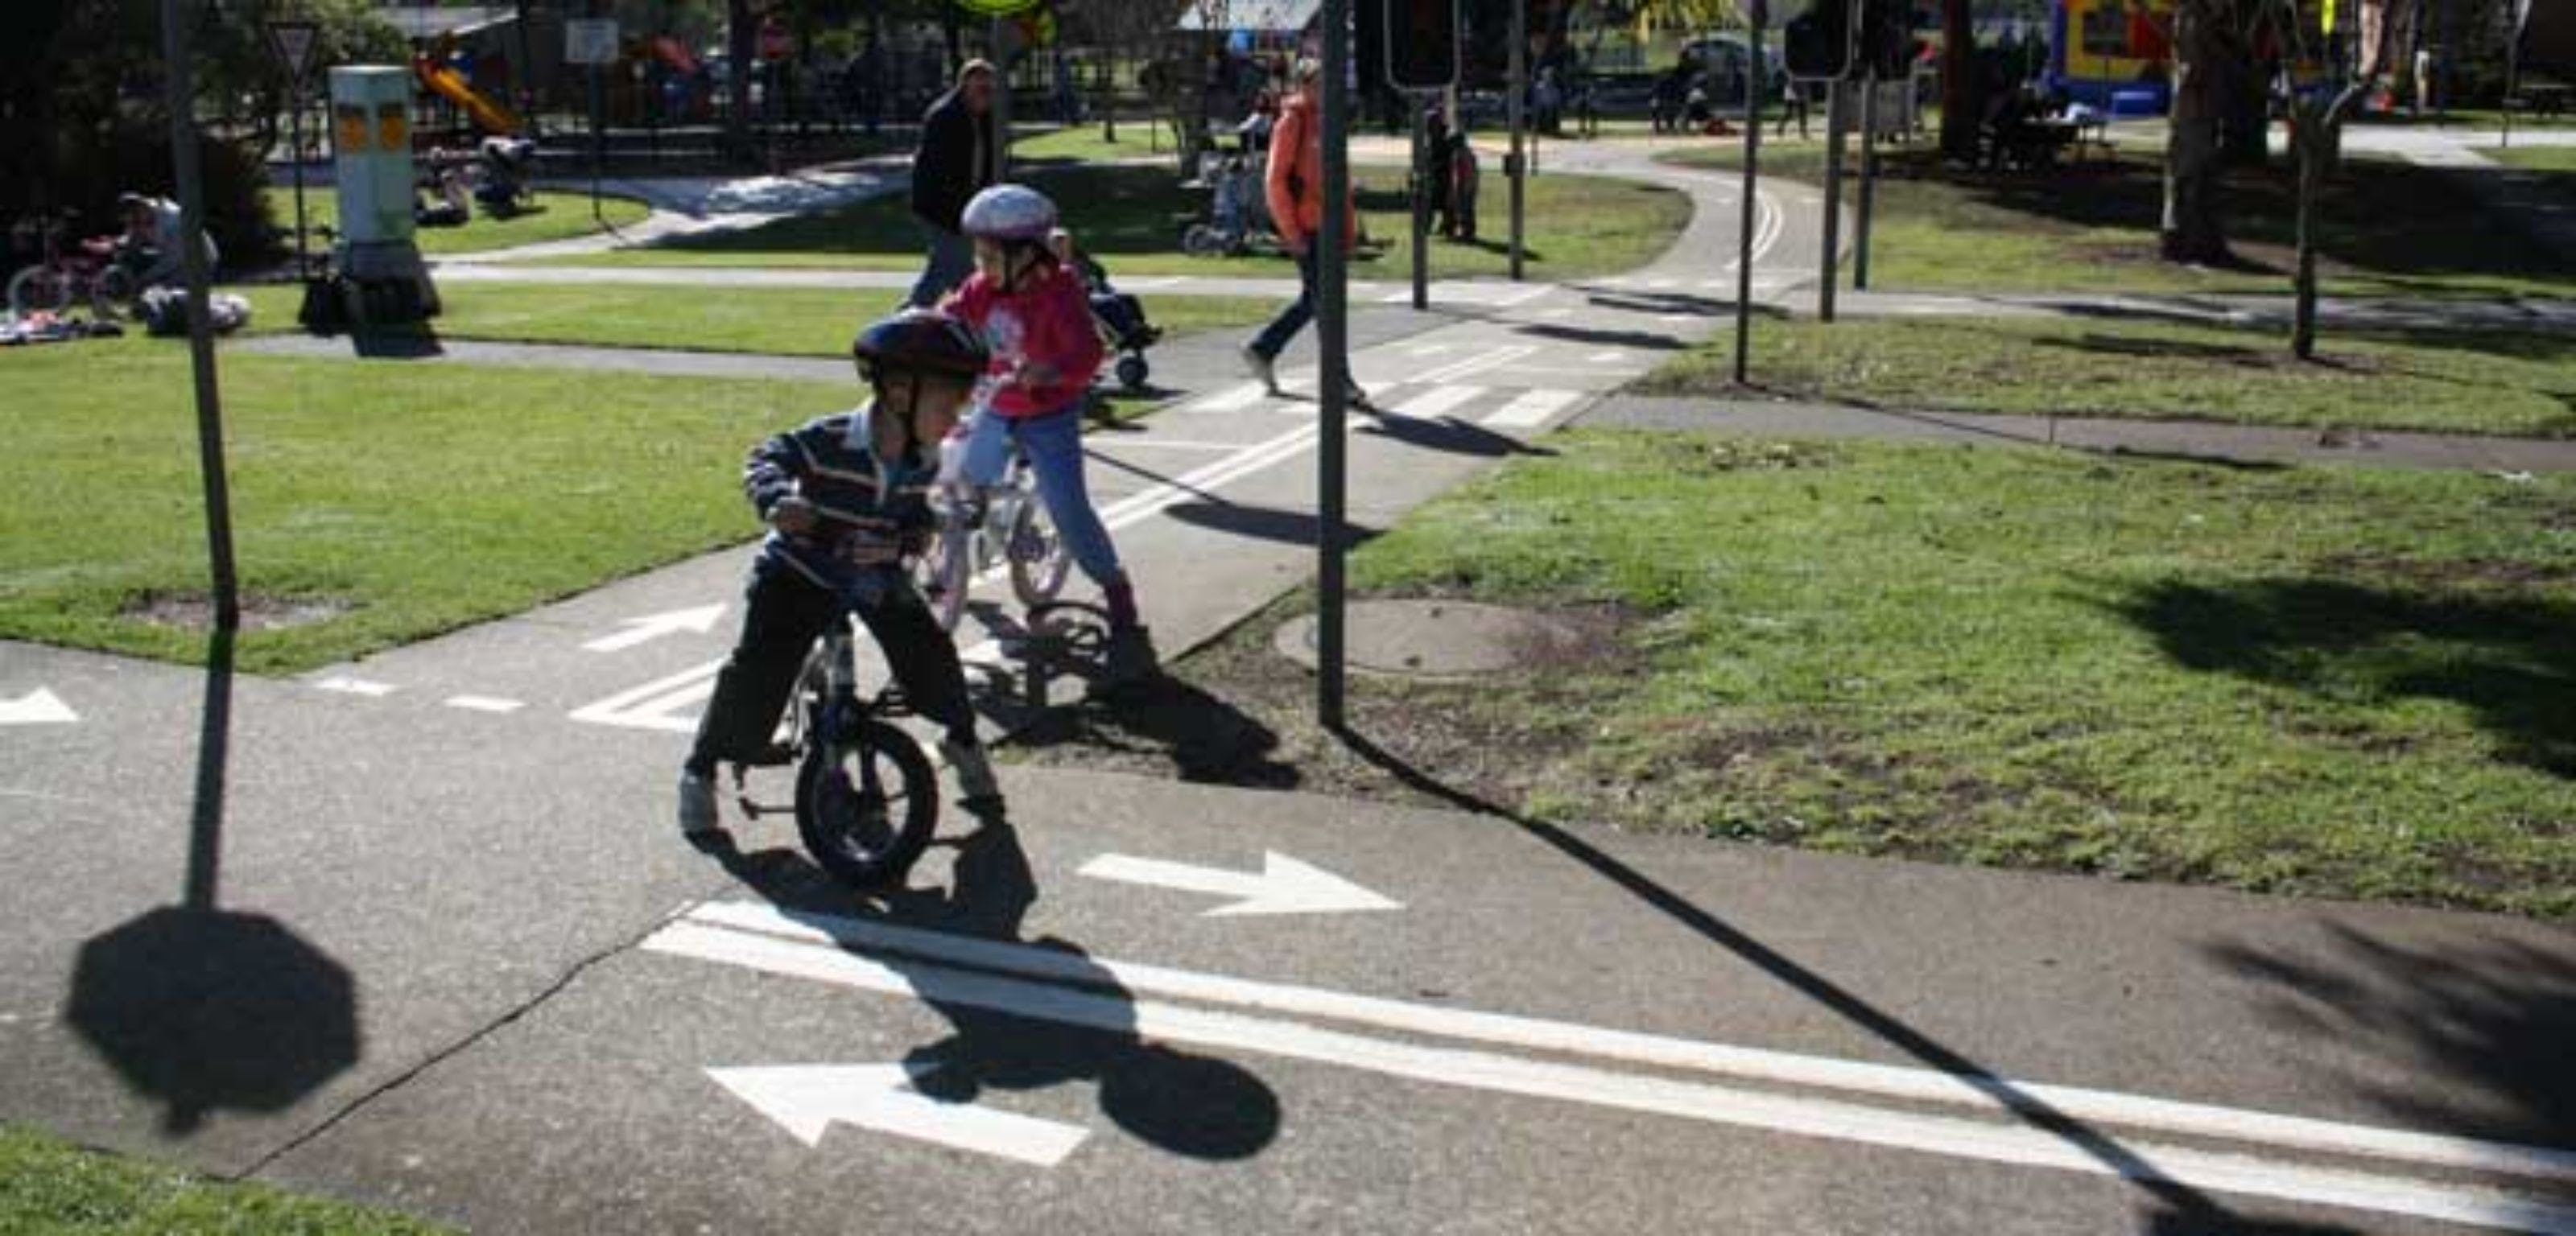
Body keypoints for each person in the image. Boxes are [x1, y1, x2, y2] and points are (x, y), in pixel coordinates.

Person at [676, 311, 1003, 837]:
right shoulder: (831, 439)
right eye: (949, 402)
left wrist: (926, 527)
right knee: (759, 671)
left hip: (874, 574)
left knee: (931, 655)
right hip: (801, 570)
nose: (958, 416)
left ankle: (961, 739)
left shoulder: (927, 458)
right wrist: (777, 499)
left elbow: (921, 510)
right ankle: (701, 769)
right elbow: (767, 457)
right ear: (900, 393)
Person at [939, 184, 1159, 682]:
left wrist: (1053, 373)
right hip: (995, 402)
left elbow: (1087, 355)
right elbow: (951, 318)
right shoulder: (982, 288)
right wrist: (924, 329)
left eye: (990, 254)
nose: (981, 264)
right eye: (978, 253)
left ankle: (1114, 587)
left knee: (1068, 508)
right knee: (958, 476)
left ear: (1027, 254)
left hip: (1049, 412)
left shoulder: (1061, 295)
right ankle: (954, 563)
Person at [1241, 58, 1370, 409]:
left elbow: (1339, 183)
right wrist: (1291, 231)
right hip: (1307, 228)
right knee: (1327, 304)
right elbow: (1275, 181)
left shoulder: (1329, 123)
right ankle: (1338, 380)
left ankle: (1263, 348)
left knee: (1316, 301)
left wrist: (1348, 230)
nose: (1326, 89)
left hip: (1329, 229)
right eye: (1318, 83)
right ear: (1303, 84)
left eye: (1330, 82)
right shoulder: (1292, 121)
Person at [906, 60, 1000, 308]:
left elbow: (989, 164)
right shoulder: (945, 116)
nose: (986, 95)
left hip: (966, 208)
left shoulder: (985, 118)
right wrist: (962, 213)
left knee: (940, 272)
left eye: (990, 90)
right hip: (939, 208)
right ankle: (980, 323)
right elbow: (939, 173)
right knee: (961, 274)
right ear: (964, 86)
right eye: (980, 89)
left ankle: (905, 323)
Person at [114, 192, 217, 291]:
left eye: (135, 219)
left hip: (198, 264)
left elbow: (174, 259)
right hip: (173, 259)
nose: (135, 225)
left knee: (156, 291)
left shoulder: (173, 220)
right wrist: (116, 245)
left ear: (142, 208)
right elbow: (130, 240)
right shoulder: (145, 217)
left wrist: (144, 278)